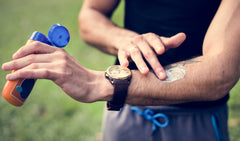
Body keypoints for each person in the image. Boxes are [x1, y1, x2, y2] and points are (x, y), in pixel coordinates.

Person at [1, 0, 239, 140]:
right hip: (123, 114)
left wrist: (101, 84)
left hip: (196, 122)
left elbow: (220, 71)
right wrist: (124, 39)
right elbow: (91, 13)